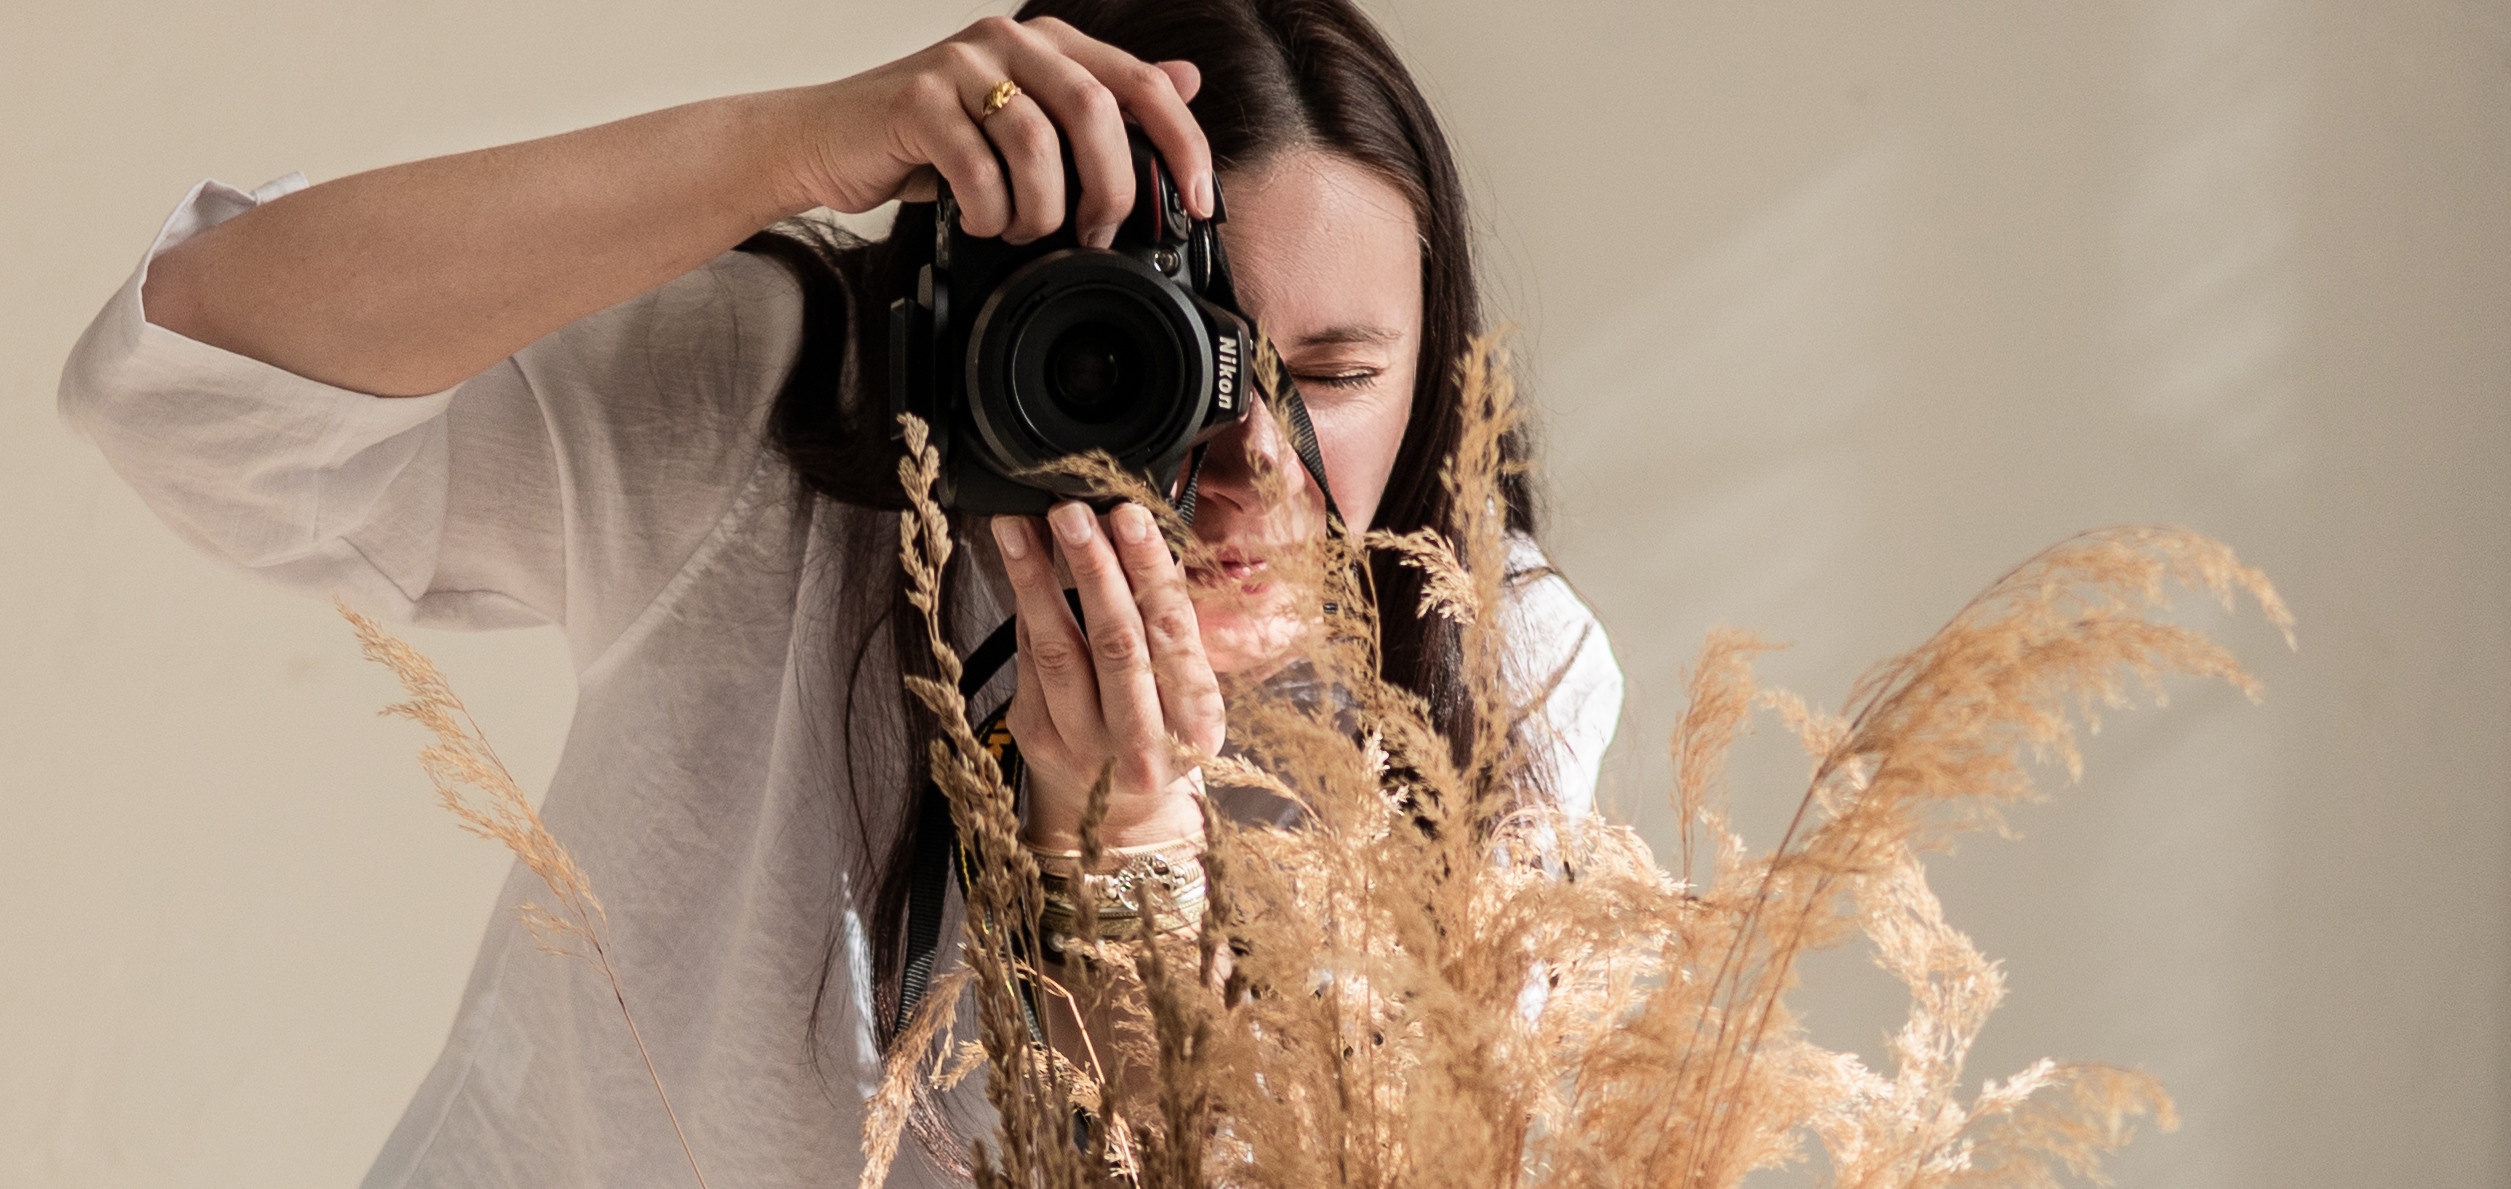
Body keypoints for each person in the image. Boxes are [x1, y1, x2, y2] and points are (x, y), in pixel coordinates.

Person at [57, 0, 1622, 1184]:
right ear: (990, 316)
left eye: (1337, 375)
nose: (1248, 460)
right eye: (1128, 363)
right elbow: (184, 379)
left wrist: (1123, 869)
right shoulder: (782, 428)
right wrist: (789, 146)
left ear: (1445, 361)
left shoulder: (1494, 669)